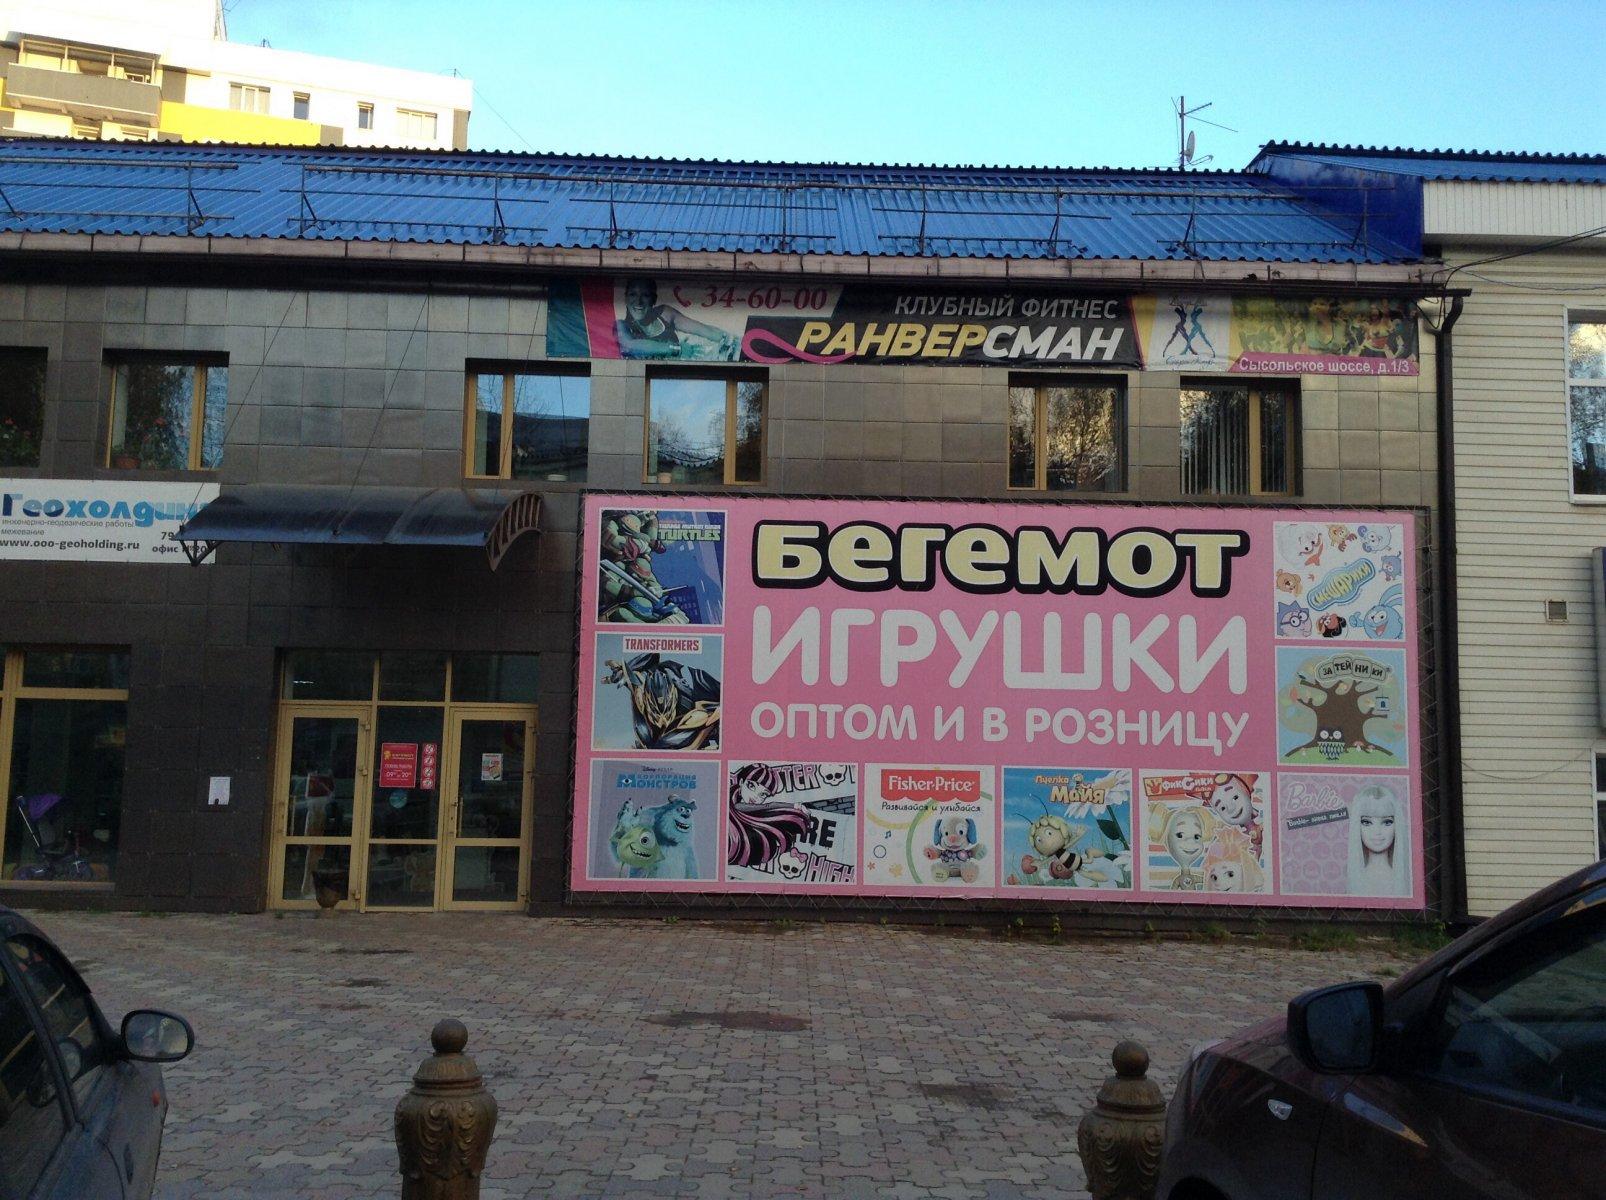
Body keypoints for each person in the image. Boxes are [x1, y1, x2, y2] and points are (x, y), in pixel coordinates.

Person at [615, 278, 738, 360]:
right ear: (625, 298)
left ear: (653, 299)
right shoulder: (621, 326)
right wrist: (676, 349)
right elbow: (629, 346)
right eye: (633, 294)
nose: (638, 301)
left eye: (645, 295)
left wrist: (728, 339)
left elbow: (701, 329)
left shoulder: (665, 314)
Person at [1346, 785, 1410, 896]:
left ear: (1397, 826)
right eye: (1366, 822)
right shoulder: (1354, 882)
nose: (1377, 831)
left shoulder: (1405, 882)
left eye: (1387, 822)